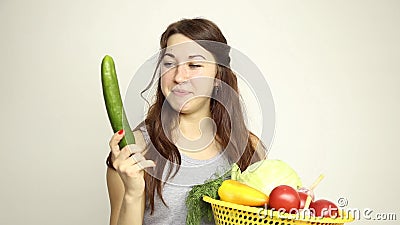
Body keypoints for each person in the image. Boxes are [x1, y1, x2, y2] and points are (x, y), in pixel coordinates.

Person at [106, 18, 267, 225]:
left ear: (218, 76)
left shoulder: (248, 148)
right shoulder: (133, 149)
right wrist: (133, 193)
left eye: (194, 65)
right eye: (169, 64)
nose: (179, 77)